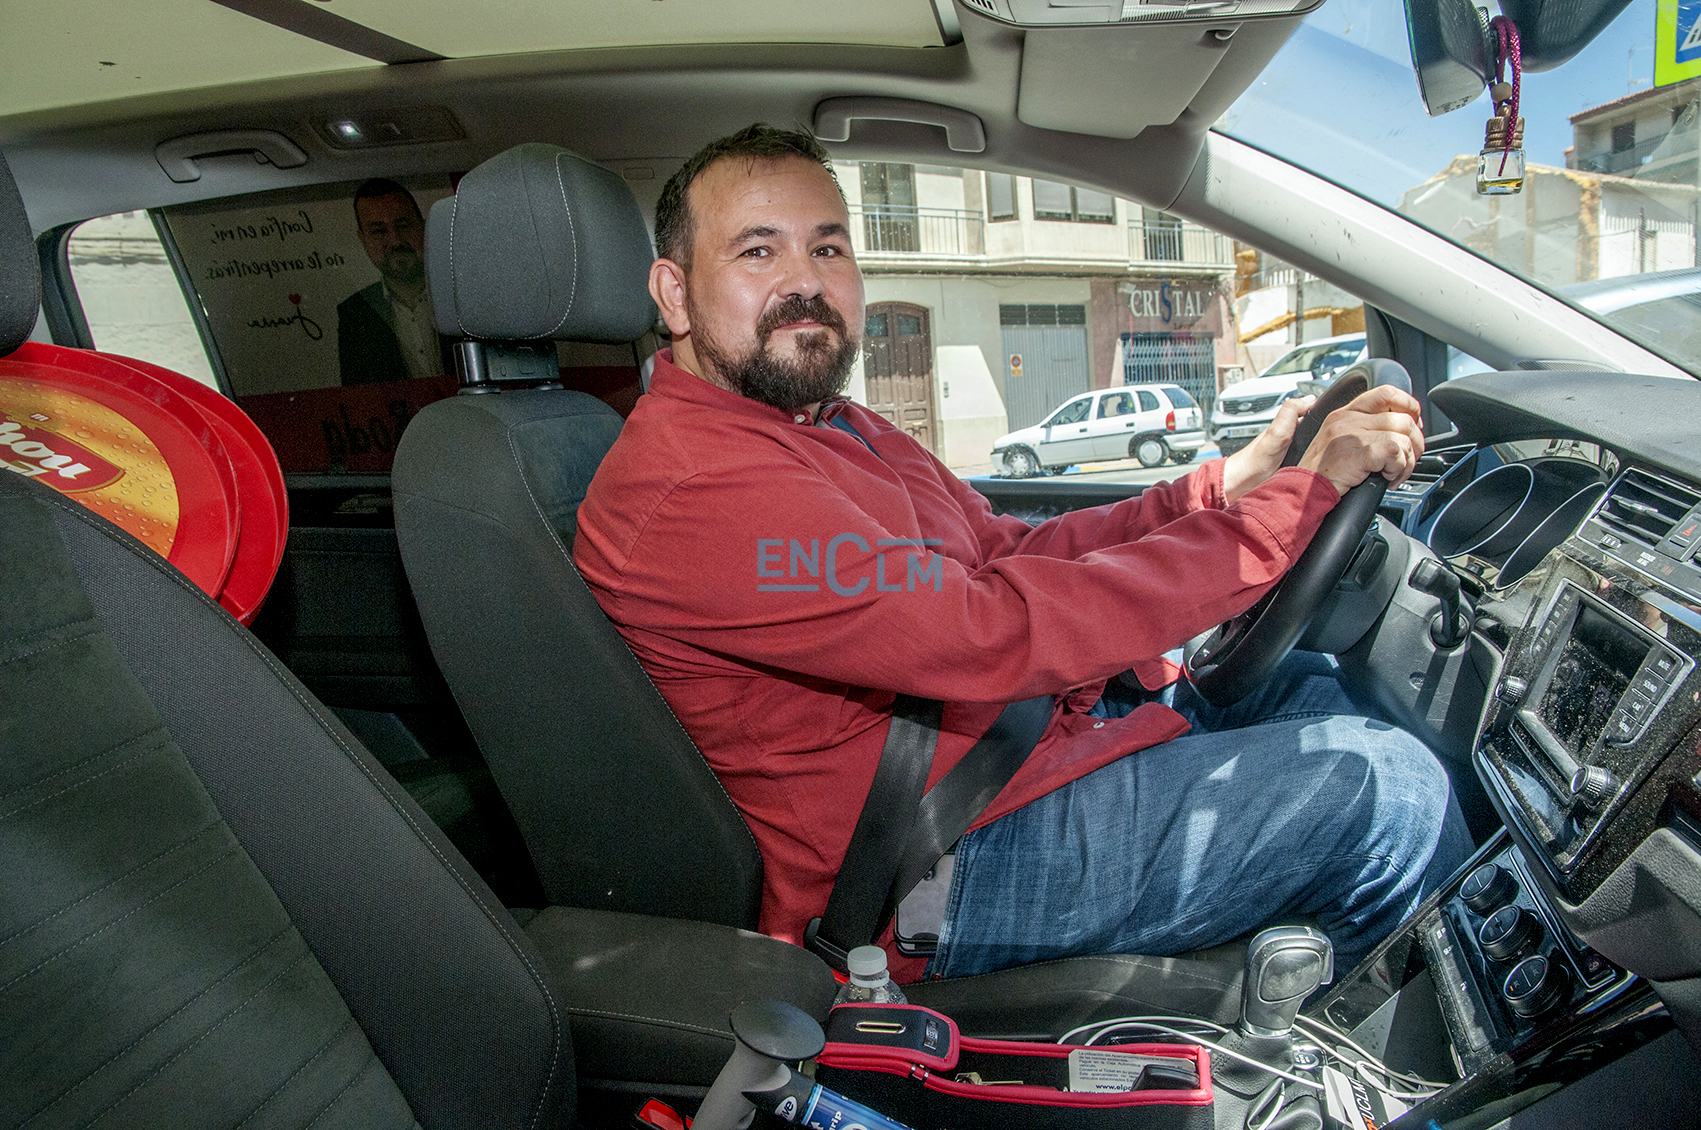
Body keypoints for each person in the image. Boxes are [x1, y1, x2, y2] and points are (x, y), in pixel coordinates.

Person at [573, 125, 1472, 982]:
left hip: (1020, 751)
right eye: (758, 251)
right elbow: (985, 629)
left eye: (829, 247)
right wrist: (1285, 513)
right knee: (1389, 793)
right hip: (935, 857)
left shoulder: (837, 425)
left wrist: (1223, 487)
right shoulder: (692, 485)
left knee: (1324, 689)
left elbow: (1011, 550)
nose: (805, 283)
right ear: (673, 292)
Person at [337, 178, 450, 386]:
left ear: (424, 227)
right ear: (363, 240)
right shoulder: (353, 314)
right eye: (379, 231)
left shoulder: (462, 293)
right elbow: (361, 397)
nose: (396, 241)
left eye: (403, 225)